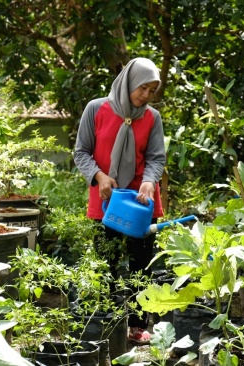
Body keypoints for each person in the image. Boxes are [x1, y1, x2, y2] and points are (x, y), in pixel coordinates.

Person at [74, 57, 166, 344]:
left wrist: (150, 180)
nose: (146, 96)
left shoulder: (151, 118)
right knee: (107, 264)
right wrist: (99, 176)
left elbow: (155, 158)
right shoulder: (96, 109)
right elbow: (81, 152)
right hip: (107, 200)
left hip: (140, 202)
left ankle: (138, 326)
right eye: (143, 88)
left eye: (152, 91)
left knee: (142, 265)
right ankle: (109, 325)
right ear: (129, 81)